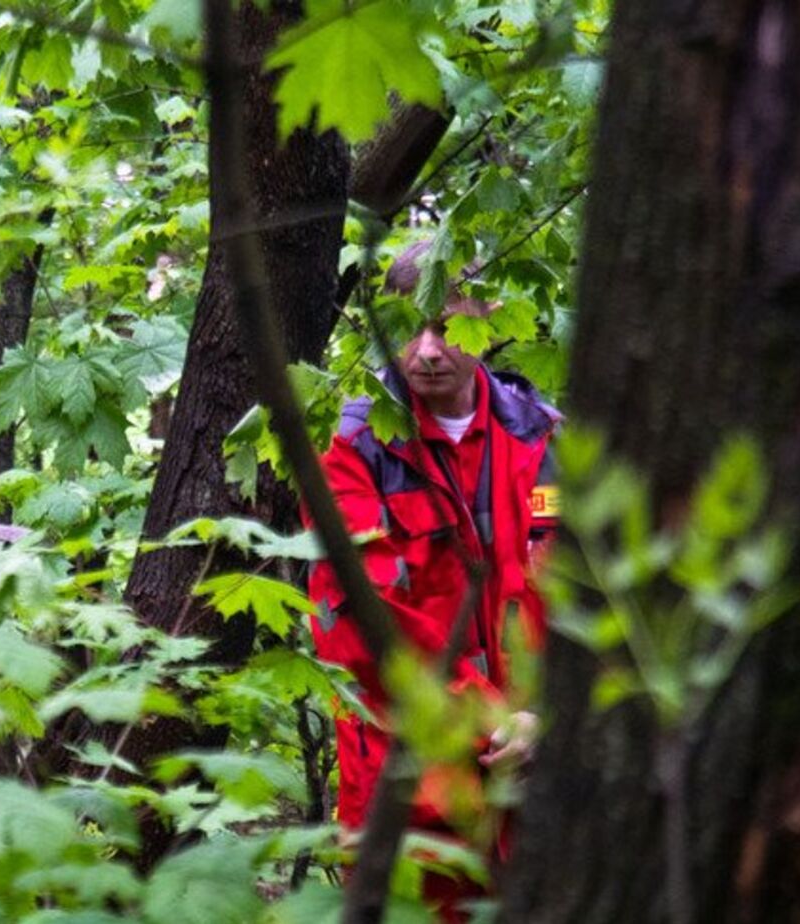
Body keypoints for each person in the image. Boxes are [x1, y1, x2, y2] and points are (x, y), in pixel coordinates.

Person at [301, 241, 559, 893]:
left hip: (546, 784)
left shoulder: (548, 439)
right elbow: (361, 628)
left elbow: (603, 600)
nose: (426, 350)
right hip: (412, 790)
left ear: (487, 320)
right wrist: (490, 722)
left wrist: (550, 716)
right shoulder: (352, 450)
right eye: (406, 328)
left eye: (445, 325)